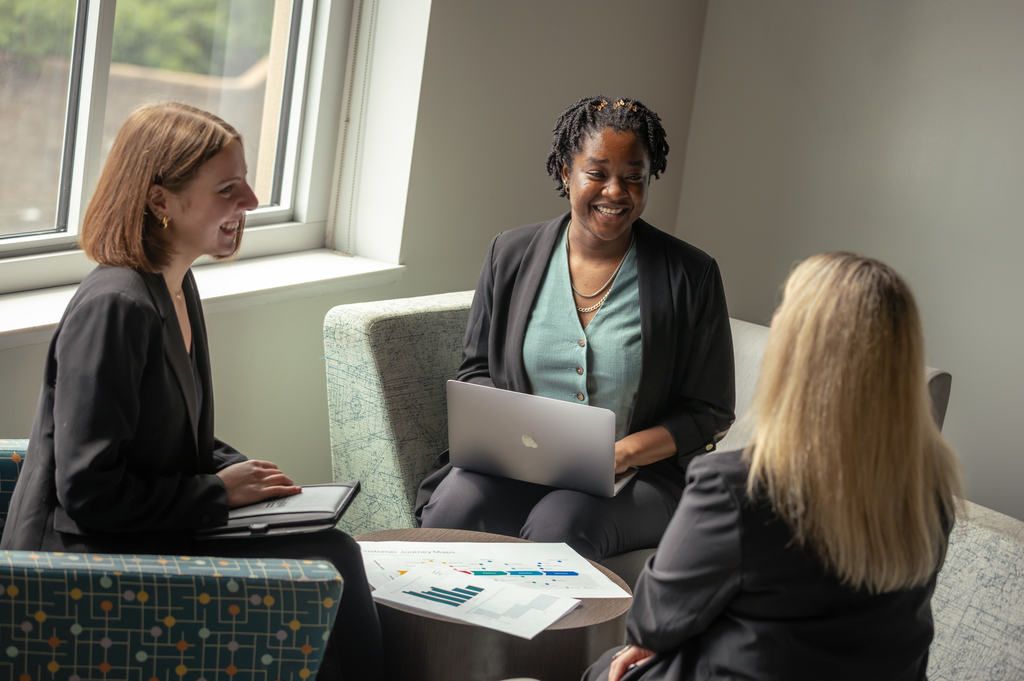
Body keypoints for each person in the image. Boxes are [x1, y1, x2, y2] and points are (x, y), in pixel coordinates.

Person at [0, 102, 382, 680]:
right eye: (228, 188)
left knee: (324, 538)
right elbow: (87, 492)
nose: (250, 201)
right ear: (159, 201)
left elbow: (167, 429)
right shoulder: (115, 308)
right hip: (83, 564)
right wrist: (215, 493)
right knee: (332, 558)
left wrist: (244, 473)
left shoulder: (175, 284)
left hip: (143, 528)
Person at [585, 252, 964, 681]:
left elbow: (653, 622)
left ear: (800, 355)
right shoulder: (929, 494)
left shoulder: (737, 487)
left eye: (785, 305)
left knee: (606, 668)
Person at [415, 96, 736, 561]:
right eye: (598, 173)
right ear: (566, 172)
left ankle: (531, 636)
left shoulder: (691, 274)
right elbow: (477, 369)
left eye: (633, 177)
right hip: (515, 464)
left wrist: (622, 454)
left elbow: (710, 411)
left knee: (557, 528)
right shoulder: (510, 253)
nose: (615, 192)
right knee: (452, 512)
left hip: (635, 476)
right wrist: (514, 441)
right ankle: (438, 635)